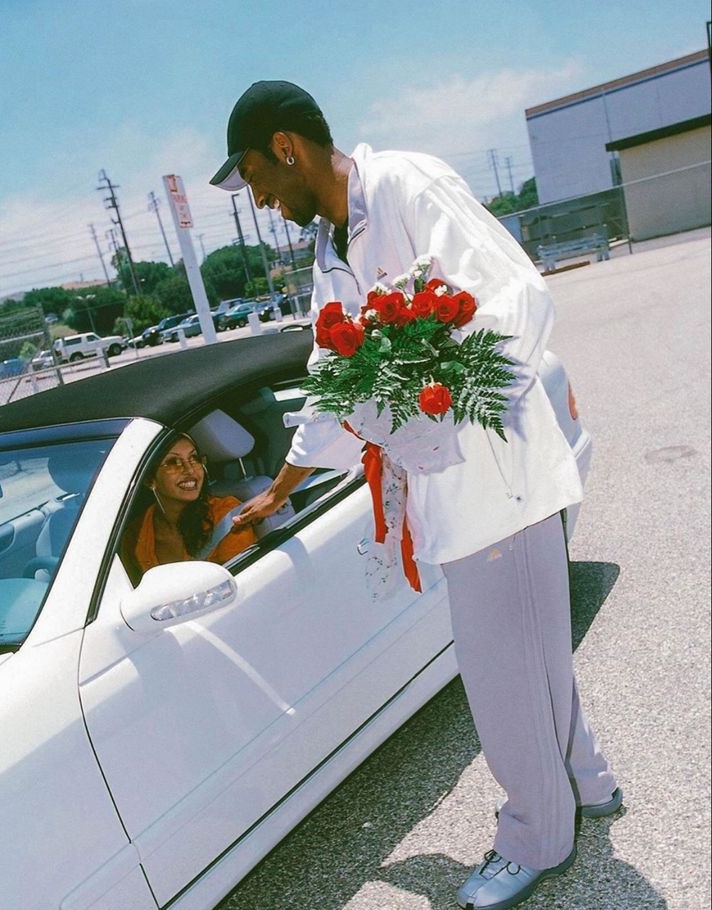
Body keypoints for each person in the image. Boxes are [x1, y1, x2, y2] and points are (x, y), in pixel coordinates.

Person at [210, 81, 622, 910]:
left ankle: (538, 836)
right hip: (459, 487)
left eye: (254, 176)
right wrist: (280, 488)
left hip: (495, 478)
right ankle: (586, 781)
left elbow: (517, 300)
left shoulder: (407, 185)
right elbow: (331, 385)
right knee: (535, 655)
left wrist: (435, 394)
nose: (259, 200)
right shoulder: (330, 252)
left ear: (286, 148)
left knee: (502, 674)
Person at [121, 433, 255, 584]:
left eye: (194, 458)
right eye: (173, 462)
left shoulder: (227, 516)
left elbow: (243, 585)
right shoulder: (134, 535)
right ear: (149, 480)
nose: (190, 470)